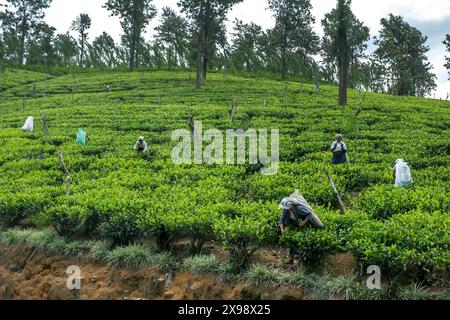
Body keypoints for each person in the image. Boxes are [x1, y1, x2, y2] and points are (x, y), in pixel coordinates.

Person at [279, 192, 323, 264]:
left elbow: (309, 214)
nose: (285, 209)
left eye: (287, 208)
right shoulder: (286, 210)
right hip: (294, 224)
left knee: (303, 240)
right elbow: (282, 219)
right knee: (292, 241)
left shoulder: (299, 208)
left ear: (291, 206)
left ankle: (302, 259)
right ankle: (291, 258)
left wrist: (303, 222)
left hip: (304, 224)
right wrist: (282, 229)